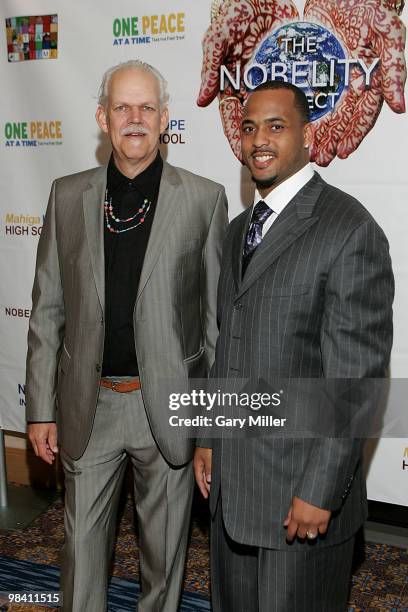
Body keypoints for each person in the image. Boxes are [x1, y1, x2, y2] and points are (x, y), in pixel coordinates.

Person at [25, 59, 228, 612]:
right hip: (88, 408)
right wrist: (40, 408)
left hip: (169, 407)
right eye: (122, 107)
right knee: (81, 554)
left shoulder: (204, 200)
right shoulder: (66, 196)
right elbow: (46, 309)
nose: (134, 118)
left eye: (146, 108)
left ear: (165, 119)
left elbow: (214, 328)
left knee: (165, 564)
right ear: (102, 117)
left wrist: (209, 430)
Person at [194, 81, 394, 611]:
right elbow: (226, 350)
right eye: (249, 126)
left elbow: (353, 383)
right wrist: (209, 438)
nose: (259, 139)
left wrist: (320, 491)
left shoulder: (349, 230)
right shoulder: (239, 231)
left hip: (297, 502)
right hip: (233, 493)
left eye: (276, 126)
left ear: (308, 134)